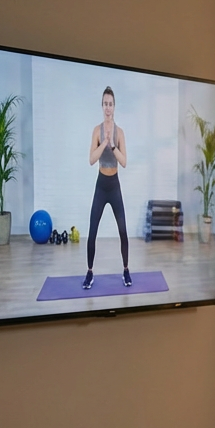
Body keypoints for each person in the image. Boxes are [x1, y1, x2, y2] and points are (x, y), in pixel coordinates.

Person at [84, 86, 131, 289]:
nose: (108, 108)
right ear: (101, 106)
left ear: (114, 106)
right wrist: (103, 143)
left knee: (123, 231)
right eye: (105, 104)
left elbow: (124, 162)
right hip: (101, 186)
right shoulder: (96, 131)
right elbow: (91, 160)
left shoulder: (120, 133)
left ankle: (126, 270)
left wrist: (112, 144)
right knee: (92, 230)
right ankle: (89, 272)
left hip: (115, 186)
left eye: (110, 104)